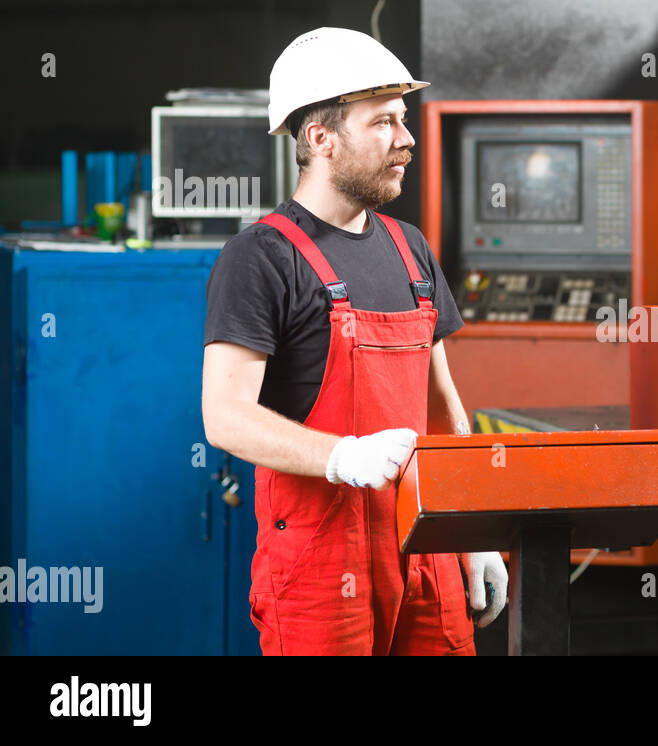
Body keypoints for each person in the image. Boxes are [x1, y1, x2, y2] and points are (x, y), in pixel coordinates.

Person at [201, 27, 507, 656]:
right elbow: (225, 418)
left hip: (425, 545)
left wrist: (472, 530)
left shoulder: (409, 246)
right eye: (383, 122)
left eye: (404, 118)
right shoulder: (261, 256)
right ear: (321, 139)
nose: (407, 139)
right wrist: (343, 458)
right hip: (318, 560)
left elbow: (443, 406)